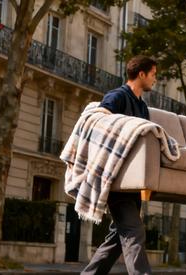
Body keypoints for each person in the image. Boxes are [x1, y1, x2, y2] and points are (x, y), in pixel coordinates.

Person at [81, 55, 157, 275]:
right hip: (116, 180)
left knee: (117, 236)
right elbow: (100, 122)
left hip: (133, 182)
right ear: (141, 74)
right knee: (134, 231)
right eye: (153, 74)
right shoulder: (117, 96)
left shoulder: (142, 107)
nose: (155, 79)